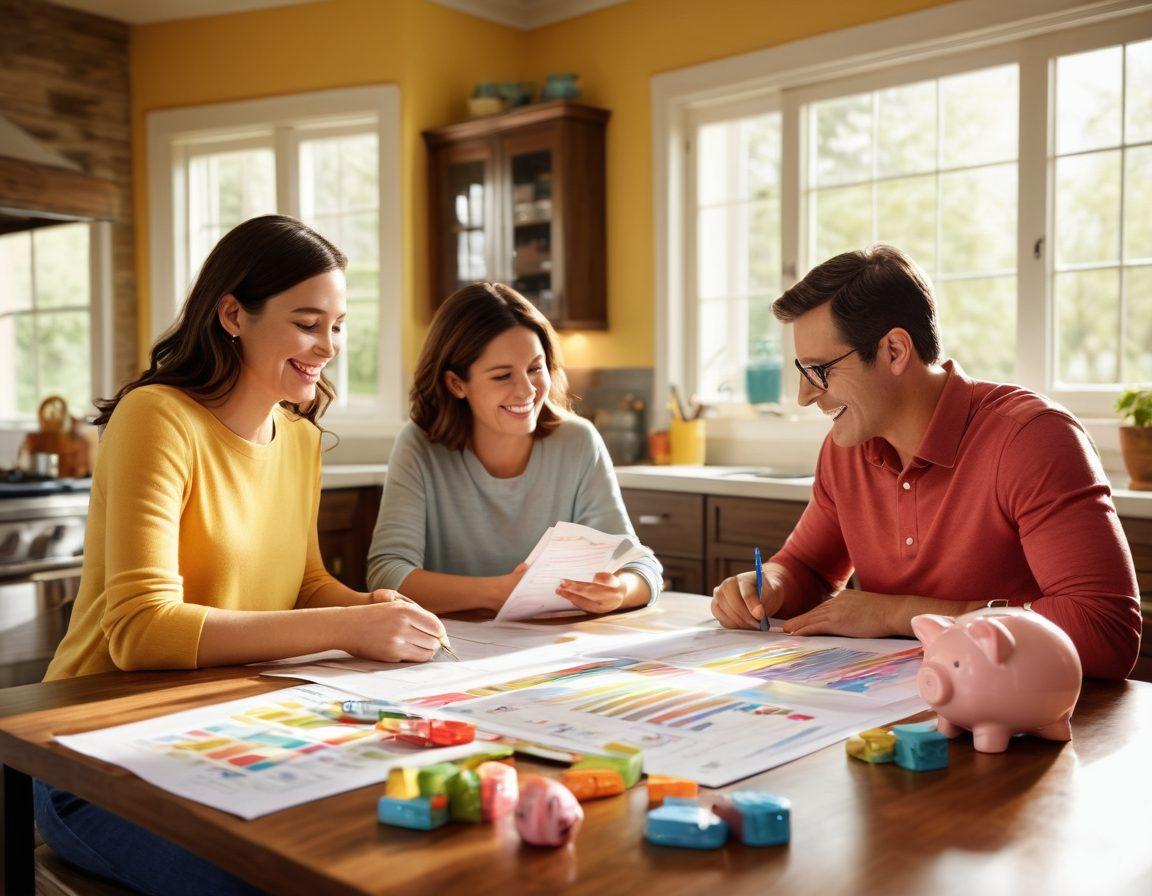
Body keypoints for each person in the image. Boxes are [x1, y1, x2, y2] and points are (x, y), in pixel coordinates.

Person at [38, 215, 447, 896]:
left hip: (219, 734)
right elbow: (140, 630)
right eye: (308, 323)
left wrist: (371, 607)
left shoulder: (299, 438)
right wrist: (349, 628)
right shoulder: (158, 418)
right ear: (233, 313)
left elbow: (305, 583)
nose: (329, 346)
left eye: (338, 325)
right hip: (93, 759)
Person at [710, 244, 1140, 681]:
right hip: (897, 706)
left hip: (1025, 721)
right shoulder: (846, 447)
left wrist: (901, 614)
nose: (804, 396)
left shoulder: (1031, 439)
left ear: (895, 351)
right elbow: (808, 568)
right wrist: (771, 586)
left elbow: (1105, 633)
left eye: (819, 371)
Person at [367, 281, 662, 615]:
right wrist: (498, 593)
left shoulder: (578, 441)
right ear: (456, 384)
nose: (527, 390)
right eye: (502, 376)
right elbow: (387, 575)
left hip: (555, 644)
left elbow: (642, 567)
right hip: (448, 647)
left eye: (535, 368)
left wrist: (618, 591)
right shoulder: (418, 445)